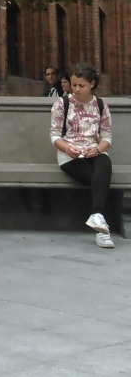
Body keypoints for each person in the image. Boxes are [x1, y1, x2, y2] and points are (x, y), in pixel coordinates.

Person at [51, 61, 113, 249]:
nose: (76, 89)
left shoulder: (101, 105)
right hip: (70, 156)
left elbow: (107, 137)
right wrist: (67, 148)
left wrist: (98, 149)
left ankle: (97, 217)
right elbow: (55, 135)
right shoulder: (62, 104)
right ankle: (102, 230)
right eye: (74, 84)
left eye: (81, 85)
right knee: (99, 180)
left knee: (104, 164)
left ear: (92, 84)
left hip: (94, 152)